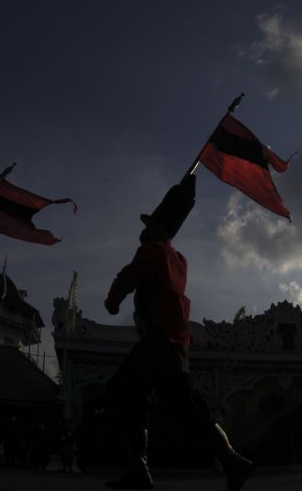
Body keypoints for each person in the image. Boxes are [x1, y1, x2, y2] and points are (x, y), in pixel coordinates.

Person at [103, 174, 253, 491]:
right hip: (172, 342)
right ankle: (143, 467)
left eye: (150, 223)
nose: (143, 229)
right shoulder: (178, 258)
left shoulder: (153, 251)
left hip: (160, 342)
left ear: (159, 227)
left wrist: (112, 301)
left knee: (159, 400)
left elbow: (127, 278)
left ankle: (231, 461)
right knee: (142, 397)